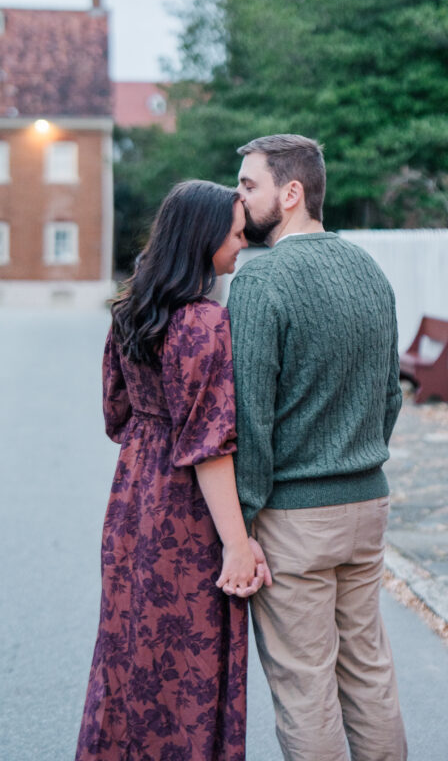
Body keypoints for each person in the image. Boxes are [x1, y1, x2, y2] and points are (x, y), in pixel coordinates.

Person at [75, 179, 270, 761]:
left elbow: (116, 414)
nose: (242, 244)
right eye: (236, 234)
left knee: (129, 654)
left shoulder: (130, 309)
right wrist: (237, 544)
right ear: (203, 237)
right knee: (188, 664)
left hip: (131, 502)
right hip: (186, 516)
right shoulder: (203, 321)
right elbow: (209, 444)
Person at [228, 134, 408, 761]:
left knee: (305, 688)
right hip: (367, 506)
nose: (239, 198)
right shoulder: (370, 271)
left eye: (249, 186)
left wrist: (241, 525)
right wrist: (356, 460)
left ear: (292, 192)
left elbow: (250, 421)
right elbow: (390, 397)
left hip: (294, 519)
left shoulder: (260, 281)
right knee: (368, 673)